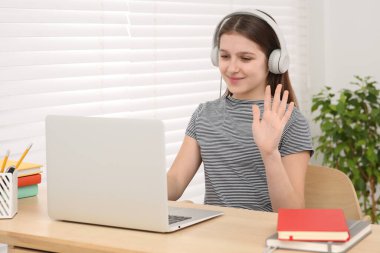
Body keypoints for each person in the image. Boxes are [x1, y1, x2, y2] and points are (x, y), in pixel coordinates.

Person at [167, 10, 313, 212]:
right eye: (225, 56)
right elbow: (175, 181)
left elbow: (292, 213)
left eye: (245, 58)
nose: (232, 68)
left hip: (262, 238)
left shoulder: (291, 121)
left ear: (274, 61)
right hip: (214, 234)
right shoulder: (204, 115)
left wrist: (270, 153)